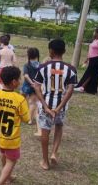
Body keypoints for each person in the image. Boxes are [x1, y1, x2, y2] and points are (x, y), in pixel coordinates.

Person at [33, 39, 77, 170]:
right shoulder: (71, 69)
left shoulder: (42, 67)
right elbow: (70, 90)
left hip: (46, 106)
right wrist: (58, 108)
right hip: (61, 107)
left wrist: (46, 107)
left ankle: (45, 162)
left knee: (45, 132)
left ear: (50, 51)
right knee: (59, 127)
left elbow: (37, 87)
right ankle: (54, 152)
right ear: (64, 51)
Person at [0, 66, 30, 185]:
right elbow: (27, 119)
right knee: (11, 161)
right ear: (14, 82)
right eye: (19, 79)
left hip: (0, 136)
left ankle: (7, 177)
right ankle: (0, 182)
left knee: (4, 154)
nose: (20, 81)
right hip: (12, 139)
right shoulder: (20, 99)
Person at [74, 27, 98, 94]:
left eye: (95, 31)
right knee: (94, 72)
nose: (93, 33)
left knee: (90, 72)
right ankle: (91, 89)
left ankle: (82, 87)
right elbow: (91, 51)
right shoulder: (95, 40)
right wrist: (87, 59)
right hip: (94, 58)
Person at [21, 48, 41, 136]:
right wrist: (35, 84)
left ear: (29, 55)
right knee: (33, 103)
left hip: (27, 85)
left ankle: (21, 115)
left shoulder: (27, 65)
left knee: (22, 100)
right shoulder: (40, 65)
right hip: (36, 87)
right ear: (37, 55)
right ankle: (29, 119)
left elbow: (26, 75)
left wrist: (31, 82)